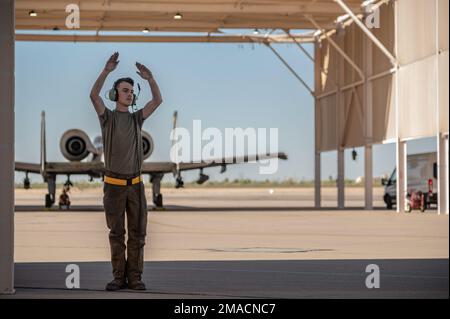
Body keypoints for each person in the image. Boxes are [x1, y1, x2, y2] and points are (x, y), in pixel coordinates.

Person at [89, 52, 163, 291]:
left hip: (136, 186)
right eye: (124, 90)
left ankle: (135, 278)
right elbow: (93, 96)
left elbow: (157, 101)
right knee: (116, 234)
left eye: (131, 91)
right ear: (114, 95)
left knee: (138, 234)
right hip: (113, 186)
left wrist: (150, 79)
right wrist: (106, 70)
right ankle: (118, 277)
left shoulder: (136, 119)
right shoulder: (107, 118)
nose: (129, 93)